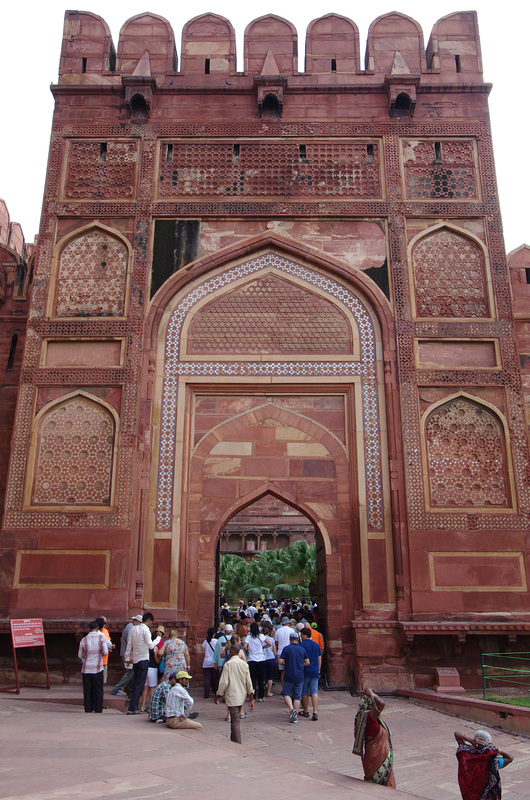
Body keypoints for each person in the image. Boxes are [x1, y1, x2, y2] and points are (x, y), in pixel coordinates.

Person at [352, 687, 396, 788]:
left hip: (371, 756)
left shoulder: (360, 716)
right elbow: (382, 704)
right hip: (377, 758)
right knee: (384, 786)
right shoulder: (370, 717)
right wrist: (372, 694)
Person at [454, 729, 513, 800]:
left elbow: (457, 734)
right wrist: (498, 751)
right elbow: (510, 758)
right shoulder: (492, 762)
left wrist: (470, 740)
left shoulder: (464, 753)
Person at [215, 643, 255, 744]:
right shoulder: (244, 664)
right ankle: (233, 741)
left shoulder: (228, 664)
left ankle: (237, 743)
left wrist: (218, 695)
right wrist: (251, 698)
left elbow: (224, 682)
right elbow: (249, 683)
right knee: (235, 719)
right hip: (241, 696)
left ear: (231, 652)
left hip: (232, 696)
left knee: (235, 721)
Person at [124, 612, 160, 714]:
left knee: (136, 683)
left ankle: (134, 706)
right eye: (151, 623)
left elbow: (129, 644)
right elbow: (151, 646)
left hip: (136, 659)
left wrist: (127, 657)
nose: (151, 625)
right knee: (139, 684)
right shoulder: (145, 629)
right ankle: (132, 708)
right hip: (143, 659)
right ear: (148, 621)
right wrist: (158, 639)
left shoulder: (134, 629)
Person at [78, 619, 110, 713]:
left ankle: (88, 709)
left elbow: (80, 655)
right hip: (97, 668)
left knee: (87, 690)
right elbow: (105, 651)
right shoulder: (101, 637)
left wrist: (85, 660)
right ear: (97, 628)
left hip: (86, 668)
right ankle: (98, 709)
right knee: (98, 690)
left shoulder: (84, 639)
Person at [278, 631, 309, 723]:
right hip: (299, 675)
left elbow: (280, 661)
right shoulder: (302, 649)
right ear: (298, 639)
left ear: (290, 639)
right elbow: (307, 662)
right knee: (297, 696)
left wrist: (285, 662)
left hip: (289, 674)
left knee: (286, 694)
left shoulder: (286, 649)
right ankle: (295, 716)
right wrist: (300, 664)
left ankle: (292, 710)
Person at [243, 621, 271, 702]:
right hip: (261, 658)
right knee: (260, 678)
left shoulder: (249, 637)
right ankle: (261, 696)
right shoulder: (261, 636)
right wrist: (262, 648)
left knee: (253, 678)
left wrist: (249, 650)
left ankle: (253, 696)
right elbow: (269, 643)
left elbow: (245, 646)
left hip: (252, 658)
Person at [112, 615, 138, 696]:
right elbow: (128, 641)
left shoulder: (129, 626)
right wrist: (130, 655)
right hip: (127, 655)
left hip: (125, 653)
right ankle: (117, 688)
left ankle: (130, 693)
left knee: (129, 674)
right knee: (130, 673)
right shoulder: (131, 628)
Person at [299, 627, 321, 720]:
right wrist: (319, 669)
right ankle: (315, 712)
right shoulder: (316, 645)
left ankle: (306, 710)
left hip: (305, 670)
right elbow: (319, 658)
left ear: (304, 635)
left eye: (301, 635)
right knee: (314, 691)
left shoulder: (301, 645)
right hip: (314, 670)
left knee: (304, 692)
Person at [202, 626, 218, 699]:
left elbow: (203, 652)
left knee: (207, 678)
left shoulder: (205, 642)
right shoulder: (216, 641)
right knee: (215, 678)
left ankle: (206, 693)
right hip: (214, 662)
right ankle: (216, 691)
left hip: (206, 662)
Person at [96, 616, 113, 684]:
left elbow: (109, 643)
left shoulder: (105, 631)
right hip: (97, 659)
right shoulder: (97, 633)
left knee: (102, 680)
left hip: (105, 659)